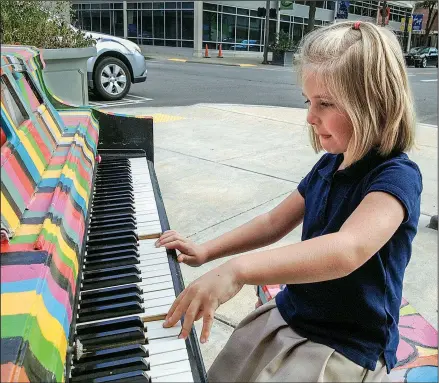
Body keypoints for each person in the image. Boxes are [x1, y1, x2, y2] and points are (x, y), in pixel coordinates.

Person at [156, 20, 422, 382]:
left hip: (346, 343)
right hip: (295, 312)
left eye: (325, 104)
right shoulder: (330, 164)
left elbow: (346, 250)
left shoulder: (395, 178)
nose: (311, 117)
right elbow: (272, 223)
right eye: (308, 102)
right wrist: (207, 251)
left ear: (373, 103)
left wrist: (238, 270)